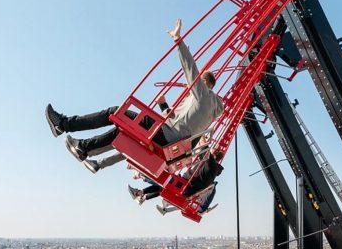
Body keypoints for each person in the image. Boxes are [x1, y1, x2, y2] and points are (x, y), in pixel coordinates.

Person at [45, 19, 224, 172]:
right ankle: (83, 148)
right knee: (123, 129)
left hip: (164, 135)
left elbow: (190, 70)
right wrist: (165, 106)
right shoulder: (210, 113)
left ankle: (64, 124)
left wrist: (178, 41)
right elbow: (181, 122)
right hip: (169, 145)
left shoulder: (204, 96)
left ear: (205, 83)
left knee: (116, 112)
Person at [129, 148, 224, 205]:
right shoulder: (212, 169)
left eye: (213, 150)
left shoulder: (211, 165)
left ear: (214, 156)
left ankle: (141, 177)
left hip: (184, 186)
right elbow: (201, 155)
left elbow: (204, 146)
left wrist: (203, 130)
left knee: (163, 179)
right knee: (163, 187)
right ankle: (140, 193)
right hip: (186, 188)